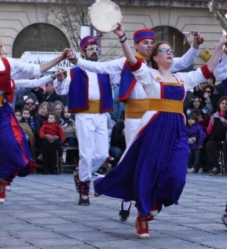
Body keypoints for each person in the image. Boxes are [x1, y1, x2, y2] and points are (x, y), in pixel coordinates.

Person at [93, 22, 226, 238]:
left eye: (171, 50)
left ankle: (153, 203)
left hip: (177, 130)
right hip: (155, 127)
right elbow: (133, 61)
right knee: (149, 171)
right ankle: (143, 216)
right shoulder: (148, 75)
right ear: (156, 57)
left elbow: (207, 69)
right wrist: (122, 38)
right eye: (164, 50)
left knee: (177, 177)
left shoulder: (182, 78)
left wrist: (220, 42)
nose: (170, 53)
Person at [66, 28, 202, 220]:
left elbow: (186, 62)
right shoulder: (126, 62)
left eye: (151, 42)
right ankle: (126, 200)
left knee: (155, 158)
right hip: (134, 117)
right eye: (145, 42)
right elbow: (100, 68)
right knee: (133, 157)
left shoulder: (161, 63)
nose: (149, 46)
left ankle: (143, 198)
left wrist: (196, 46)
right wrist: (77, 61)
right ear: (136, 44)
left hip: (157, 115)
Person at [0, 29, 67, 224]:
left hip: (2, 112)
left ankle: (4, 180)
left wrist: (60, 57)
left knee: (13, 144)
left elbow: (35, 71)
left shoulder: (7, 63)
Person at [63, 35, 114, 205]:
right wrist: (60, 79)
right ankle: (84, 190)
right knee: (86, 153)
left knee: (101, 154)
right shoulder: (74, 71)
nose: (94, 51)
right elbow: (62, 90)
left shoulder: (104, 70)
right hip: (84, 114)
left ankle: (80, 173)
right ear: (83, 52)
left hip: (101, 114)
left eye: (96, 48)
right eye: (91, 49)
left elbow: (120, 77)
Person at [206, 96, 227, 176]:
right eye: (222, 103)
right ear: (219, 104)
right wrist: (212, 123)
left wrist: (225, 121)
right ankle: (216, 167)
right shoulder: (214, 115)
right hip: (217, 139)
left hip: (225, 139)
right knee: (209, 144)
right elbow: (208, 131)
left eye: (226, 104)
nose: (224, 105)